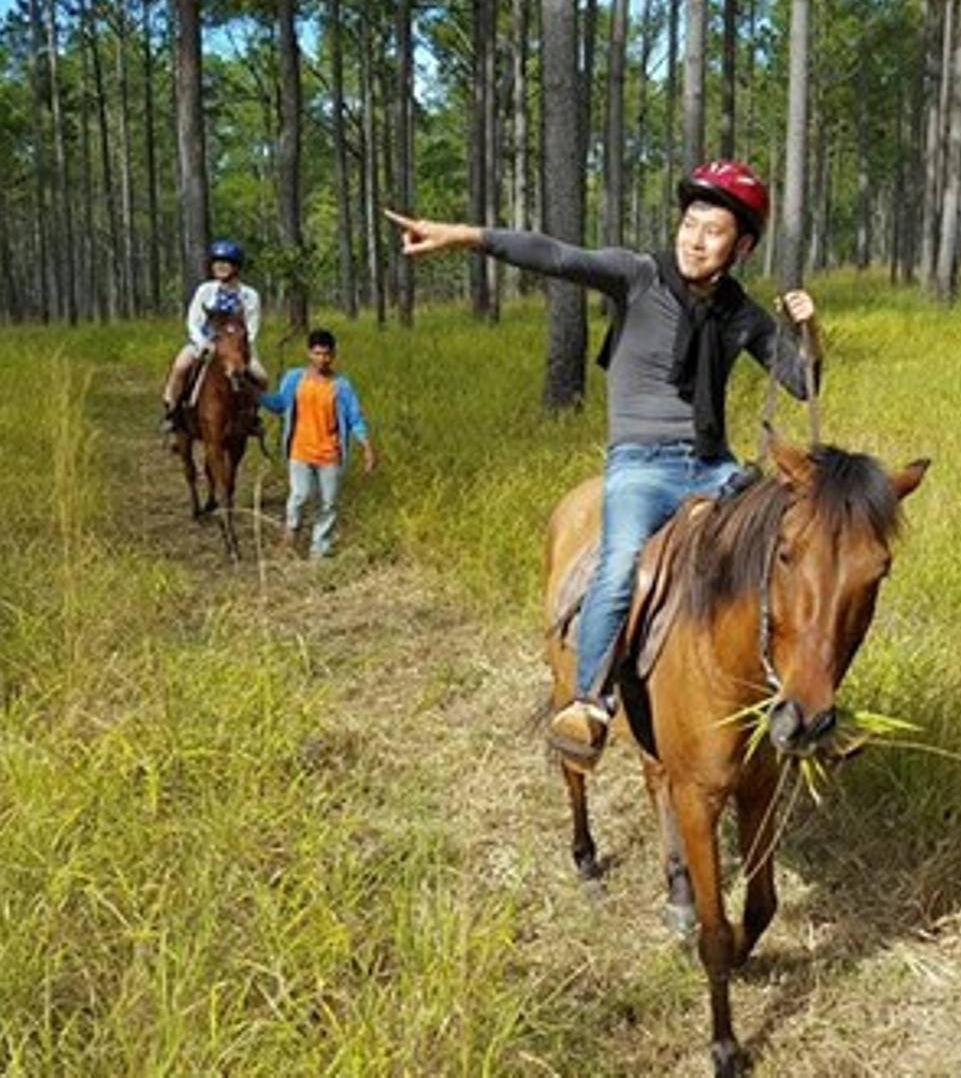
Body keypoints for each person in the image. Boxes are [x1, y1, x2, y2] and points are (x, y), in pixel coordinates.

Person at [386, 159, 822, 770]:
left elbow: (802, 384)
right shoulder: (638, 276)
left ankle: (796, 694)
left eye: (713, 231)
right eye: (690, 224)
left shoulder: (743, 313)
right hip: (641, 465)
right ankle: (589, 702)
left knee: (793, 548)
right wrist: (461, 235)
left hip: (713, 466)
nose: (695, 240)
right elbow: (554, 255)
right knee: (619, 565)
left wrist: (810, 330)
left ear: (741, 246)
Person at [260, 327, 376, 559]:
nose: (322, 359)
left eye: (326, 354)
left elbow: (354, 418)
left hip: (329, 454)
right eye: (317, 353)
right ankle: (291, 534)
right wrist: (256, 394)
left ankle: (319, 549)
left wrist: (367, 447)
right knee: (300, 495)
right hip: (300, 450)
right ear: (308, 353)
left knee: (327, 503)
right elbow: (280, 404)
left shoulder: (341, 386)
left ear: (333, 355)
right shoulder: (294, 379)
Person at [160, 238, 269, 433]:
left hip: (237, 346)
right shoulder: (205, 291)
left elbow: (252, 327)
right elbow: (193, 321)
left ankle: (252, 416)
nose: (220, 267)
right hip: (203, 343)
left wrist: (238, 348)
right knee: (180, 366)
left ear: (236, 267)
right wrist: (204, 343)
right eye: (217, 263)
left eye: (225, 263)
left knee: (261, 377)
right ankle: (172, 411)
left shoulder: (250, 296)